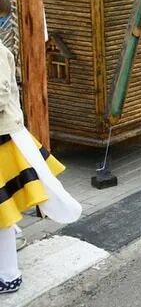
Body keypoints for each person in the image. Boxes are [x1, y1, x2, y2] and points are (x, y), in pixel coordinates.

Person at [0, 44, 82, 294]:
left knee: (2, 211)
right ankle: (11, 251)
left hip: (4, 138)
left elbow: (1, 95)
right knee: (4, 208)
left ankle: (8, 275)